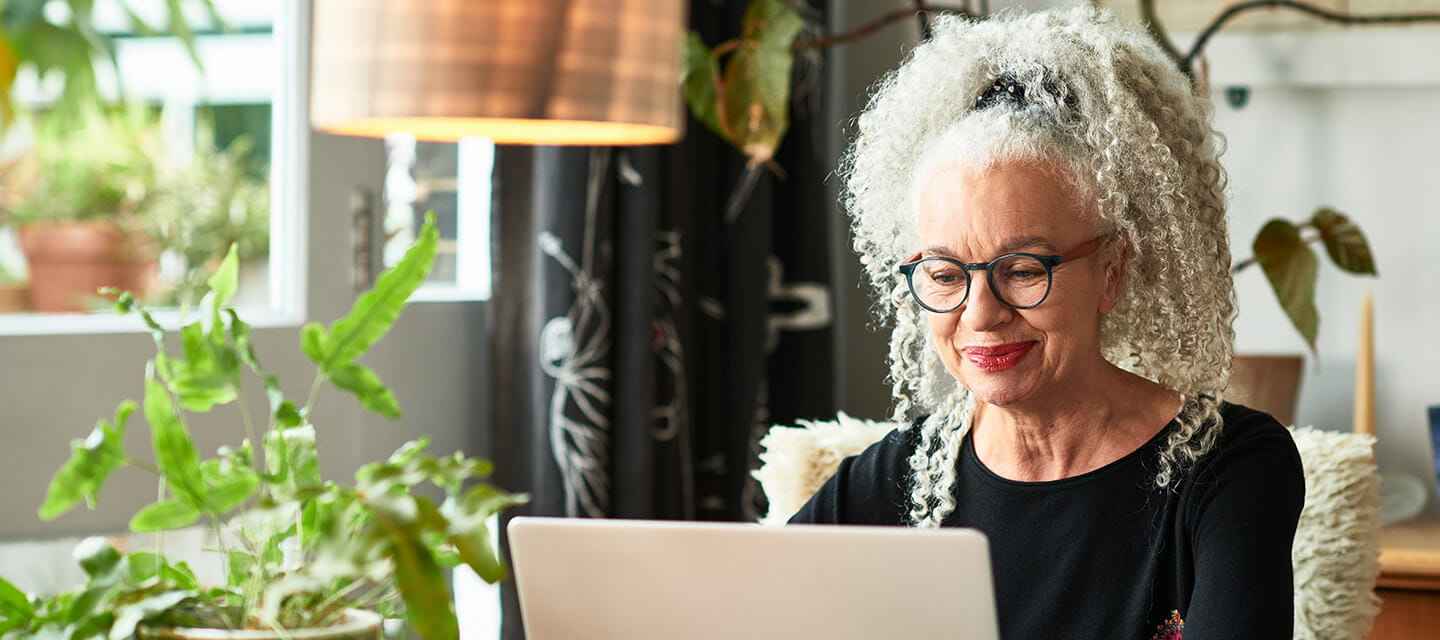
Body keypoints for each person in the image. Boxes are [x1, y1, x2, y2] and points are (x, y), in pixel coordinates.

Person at [789, 7, 1305, 640]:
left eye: (1024, 269)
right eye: (946, 274)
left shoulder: (1227, 471)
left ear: (1111, 271)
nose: (980, 313)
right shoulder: (891, 485)